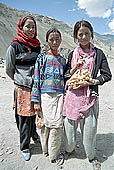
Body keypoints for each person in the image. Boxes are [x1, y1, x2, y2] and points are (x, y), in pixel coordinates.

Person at [63, 20, 112, 170]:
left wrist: (91, 81)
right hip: (72, 99)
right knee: (70, 139)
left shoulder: (98, 54)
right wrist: (73, 72)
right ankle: (69, 150)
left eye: (87, 34)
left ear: (91, 34)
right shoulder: (72, 54)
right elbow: (65, 75)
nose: (84, 37)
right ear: (76, 36)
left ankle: (92, 156)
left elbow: (107, 75)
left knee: (89, 133)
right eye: (80, 34)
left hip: (90, 98)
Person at [6, 15, 41, 161]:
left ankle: (34, 135)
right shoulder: (14, 46)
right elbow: (9, 68)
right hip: (22, 89)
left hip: (35, 87)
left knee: (34, 114)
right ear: (21, 28)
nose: (31, 30)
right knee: (24, 119)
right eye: (28, 26)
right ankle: (25, 146)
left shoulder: (37, 46)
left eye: (33, 27)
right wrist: (21, 80)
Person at [31, 28, 66, 165]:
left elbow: (66, 77)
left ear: (61, 40)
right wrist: (35, 100)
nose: (55, 41)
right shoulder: (42, 57)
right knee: (45, 125)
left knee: (57, 125)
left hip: (59, 96)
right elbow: (36, 78)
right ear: (47, 41)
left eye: (57, 39)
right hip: (45, 95)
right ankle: (45, 150)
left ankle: (53, 154)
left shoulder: (63, 60)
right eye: (51, 39)